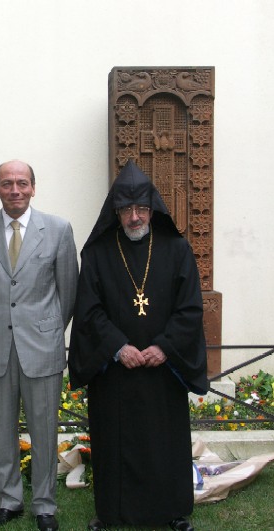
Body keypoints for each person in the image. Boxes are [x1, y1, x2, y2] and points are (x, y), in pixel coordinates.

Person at [68, 160, 208, 531]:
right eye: (127, 209)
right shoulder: (97, 253)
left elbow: (190, 307)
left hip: (162, 370)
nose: (134, 217)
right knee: (115, 441)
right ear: (116, 211)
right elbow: (89, 309)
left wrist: (164, 347)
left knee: (166, 443)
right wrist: (118, 347)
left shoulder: (177, 249)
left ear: (153, 208)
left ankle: (173, 511)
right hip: (116, 370)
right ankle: (111, 512)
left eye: (141, 208)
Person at [0, 160, 78, 531]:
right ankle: (9, 500)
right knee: (2, 427)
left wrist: (46, 328)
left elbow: (68, 290)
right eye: (7, 183)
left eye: (22, 183)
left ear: (33, 188)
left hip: (41, 346)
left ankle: (45, 505)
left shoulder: (58, 230)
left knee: (45, 429)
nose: (15, 190)